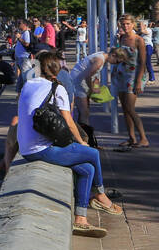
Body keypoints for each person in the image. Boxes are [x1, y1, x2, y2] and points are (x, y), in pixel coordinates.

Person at [15, 51, 122, 236]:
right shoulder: (58, 88)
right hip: (41, 149)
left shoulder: (29, 84)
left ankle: (80, 218)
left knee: (87, 170)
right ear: (58, 70)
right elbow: (70, 122)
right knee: (93, 154)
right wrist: (82, 143)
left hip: (25, 147)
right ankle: (100, 195)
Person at [113, 14, 150, 149]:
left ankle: (143, 138)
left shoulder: (138, 40)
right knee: (124, 108)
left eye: (128, 24)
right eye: (123, 24)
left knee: (130, 107)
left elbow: (142, 62)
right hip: (122, 73)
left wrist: (139, 81)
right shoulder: (122, 38)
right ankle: (131, 137)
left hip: (134, 75)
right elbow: (119, 56)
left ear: (133, 24)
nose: (126, 26)